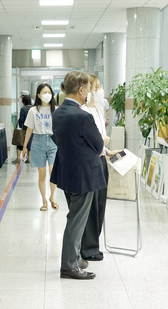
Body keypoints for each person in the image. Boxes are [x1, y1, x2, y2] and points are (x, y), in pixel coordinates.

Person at [51, 70, 119, 280]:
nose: (90, 92)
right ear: (81, 90)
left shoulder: (59, 113)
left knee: (75, 217)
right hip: (84, 176)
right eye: (89, 89)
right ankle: (69, 265)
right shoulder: (83, 116)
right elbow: (98, 143)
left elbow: (58, 140)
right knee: (77, 220)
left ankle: (75, 257)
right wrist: (104, 142)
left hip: (67, 173)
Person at [80, 74, 111, 262]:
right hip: (90, 163)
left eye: (100, 85)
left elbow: (102, 137)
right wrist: (101, 143)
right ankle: (88, 248)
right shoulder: (82, 111)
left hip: (101, 160)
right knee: (91, 207)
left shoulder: (99, 109)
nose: (99, 89)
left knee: (100, 204)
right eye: (96, 86)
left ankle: (94, 244)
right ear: (86, 89)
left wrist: (107, 150)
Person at [22, 83, 59, 211]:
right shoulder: (33, 110)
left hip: (53, 141)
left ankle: (52, 197)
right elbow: (29, 129)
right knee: (42, 174)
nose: (47, 94)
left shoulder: (56, 109)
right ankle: (44, 201)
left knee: (53, 172)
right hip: (38, 141)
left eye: (49, 92)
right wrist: (25, 146)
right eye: (44, 92)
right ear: (38, 95)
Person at [13, 94, 32, 164]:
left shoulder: (23, 109)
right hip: (32, 128)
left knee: (20, 142)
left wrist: (21, 126)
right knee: (30, 142)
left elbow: (21, 120)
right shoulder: (32, 108)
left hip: (24, 128)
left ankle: (18, 158)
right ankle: (29, 158)